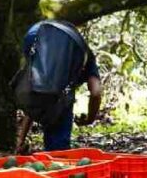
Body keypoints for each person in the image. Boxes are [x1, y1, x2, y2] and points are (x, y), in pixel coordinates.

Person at [14, 20, 103, 153]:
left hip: (35, 34)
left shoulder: (45, 76)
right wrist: (90, 119)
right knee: (61, 105)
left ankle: (52, 154)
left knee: (44, 94)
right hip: (41, 36)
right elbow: (96, 92)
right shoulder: (84, 56)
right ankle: (57, 154)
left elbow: (35, 98)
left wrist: (21, 139)